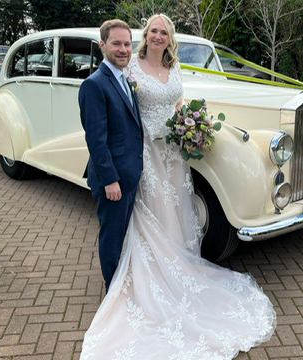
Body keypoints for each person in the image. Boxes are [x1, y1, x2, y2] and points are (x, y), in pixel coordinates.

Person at [81, 14, 276, 359]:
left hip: (174, 153)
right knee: (147, 213)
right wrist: (111, 175)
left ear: (171, 39)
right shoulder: (128, 70)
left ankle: (177, 267)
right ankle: (123, 286)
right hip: (145, 155)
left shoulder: (174, 68)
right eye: (152, 31)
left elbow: (176, 102)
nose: (157, 36)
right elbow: (109, 125)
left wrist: (191, 125)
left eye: (164, 32)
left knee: (175, 211)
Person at [79, 19, 143, 293]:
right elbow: (96, 139)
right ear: (102, 45)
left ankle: (120, 284)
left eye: (127, 44)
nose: (123, 49)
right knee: (112, 238)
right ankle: (112, 292)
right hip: (113, 180)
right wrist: (109, 180)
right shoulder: (94, 85)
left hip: (129, 173)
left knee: (123, 235)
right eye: (116, 43)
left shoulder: (126, 78)